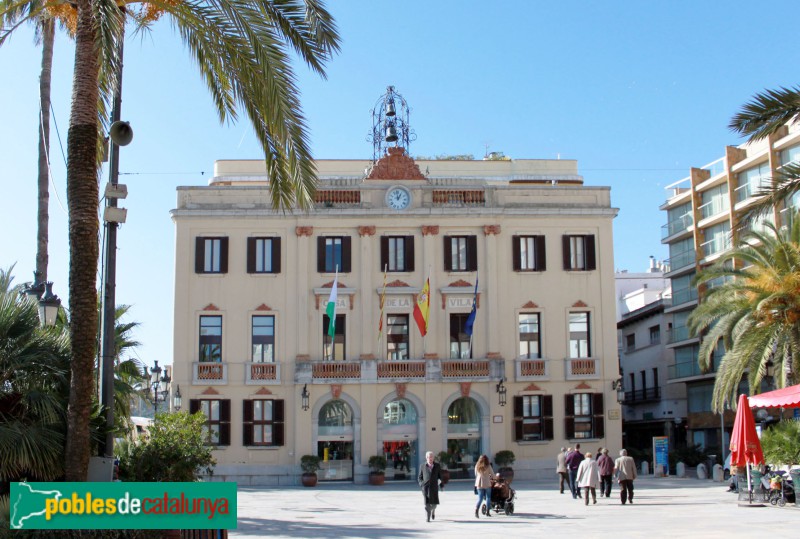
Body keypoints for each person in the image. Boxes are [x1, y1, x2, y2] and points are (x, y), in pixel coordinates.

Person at [418, 450, 444, 522]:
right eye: (429, 457)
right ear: (426, 458)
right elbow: (419, 477)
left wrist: (441, 485)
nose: (430, 458)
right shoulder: (422, 466)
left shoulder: (437, 466)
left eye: (432, 457)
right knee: (427, 504)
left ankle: (432, 510)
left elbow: (440, 477)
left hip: (434, 488)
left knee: (434, 504)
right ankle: (428, 517)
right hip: (425, 488)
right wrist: (422, 484)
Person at [474, 454, 494, 518]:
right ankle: (488, 512)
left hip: (479, 483)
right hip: (487, 483)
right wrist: (495, 478)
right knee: (488, 497)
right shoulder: (488, 466)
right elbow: (493, 475)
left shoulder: (477, 465)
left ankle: (476, 510)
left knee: (480, 498)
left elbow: (475, 474)